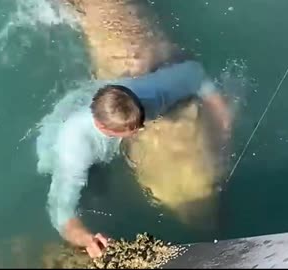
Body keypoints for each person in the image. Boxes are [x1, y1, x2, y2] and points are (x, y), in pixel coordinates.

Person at [36, 60, 231, 258]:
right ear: (104, 128)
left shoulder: (143, 95)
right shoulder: (74, 148)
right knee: (93, 190)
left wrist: (220, 112)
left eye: (139, 124)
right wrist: (87, 239)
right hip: (58, 138)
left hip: (99, 99)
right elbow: (62, 213)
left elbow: (193, 73)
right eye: (132, 130)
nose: (141, 130)